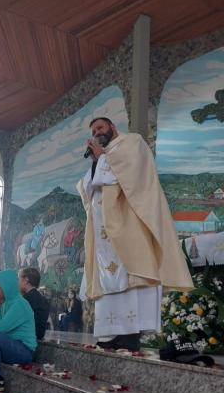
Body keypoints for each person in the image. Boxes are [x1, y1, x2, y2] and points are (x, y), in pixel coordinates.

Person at [77, 117, 193, 351]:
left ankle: (129, 336)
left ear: (113, 128)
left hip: (128, 228)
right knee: (108, 282)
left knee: (132, 276)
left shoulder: (132, 143)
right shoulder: (103, 155)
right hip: (103, 238)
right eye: (93, 130)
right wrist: (96, 161)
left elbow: (132, 176)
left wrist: (101, 159)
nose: (96, 132)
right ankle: (109, 336)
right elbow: (89, 188)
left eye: (100, 127)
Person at [18, 267, 50, 341]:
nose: (17, 282)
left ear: (26, 280)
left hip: (28, 337)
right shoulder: (41, 298)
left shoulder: (26, 299)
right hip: (38, 335)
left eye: (18, 278)